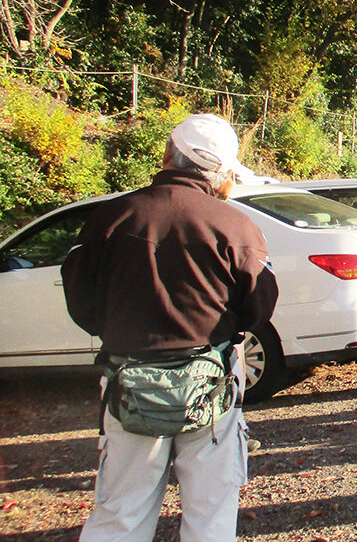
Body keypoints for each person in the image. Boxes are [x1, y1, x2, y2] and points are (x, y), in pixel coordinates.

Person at [61, 114, 279, 541]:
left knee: (120, 511)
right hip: (210, 380)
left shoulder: (112, 216)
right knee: (210, 511)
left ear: (166, 155)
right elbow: (260, 305)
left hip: (129, 380)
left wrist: (121, 330)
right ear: (221, 173)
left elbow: (80, 300)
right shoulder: (234, 226)